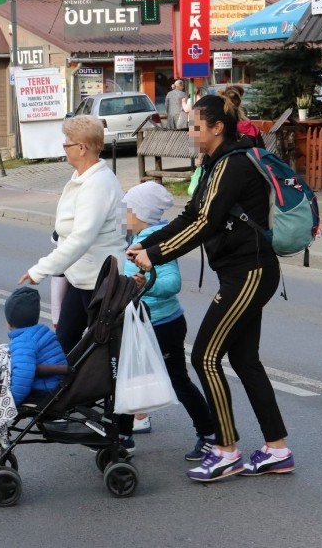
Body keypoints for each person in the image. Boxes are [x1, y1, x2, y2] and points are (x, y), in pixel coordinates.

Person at [126, 91, 295, 482]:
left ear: (218, 128)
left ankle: (225, 450)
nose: (190, 131)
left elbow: (205, 225)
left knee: (204, 356)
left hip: (249, 273)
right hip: (243, 271)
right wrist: (147, 244)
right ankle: (277, 449)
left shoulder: (233, 166)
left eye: (196, 126)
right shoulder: (216, 162)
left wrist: (157, 255)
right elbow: (191, 214)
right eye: (190, 125)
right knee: (245, 360)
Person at [18, 115, 132, 446]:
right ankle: (56, 406)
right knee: (64, 342)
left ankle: (120, 431)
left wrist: (41, 269)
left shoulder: (98, 183)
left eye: (67, 143)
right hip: (80, 277)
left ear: (82, 147)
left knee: (109, 357)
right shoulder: (81, 176)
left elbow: (82, 237)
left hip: (102, 283)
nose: (64, 149)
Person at [122, 182, 217, 459]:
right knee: (129, 378)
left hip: (162, 324)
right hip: (140, 322)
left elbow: (172, 283)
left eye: (126, 210)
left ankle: (209, 433)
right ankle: (124, 436)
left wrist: (144, 284)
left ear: (140, 213)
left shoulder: (155, 240)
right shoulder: (137, 237)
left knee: (177, 380)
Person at [3, 286, 68, 406]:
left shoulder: (23, 342)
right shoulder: (43, 331)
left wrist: (10, 403)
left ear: (10, 322)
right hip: (59, 383)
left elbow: (22, 376)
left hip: (45, 391)